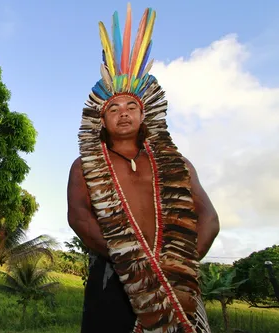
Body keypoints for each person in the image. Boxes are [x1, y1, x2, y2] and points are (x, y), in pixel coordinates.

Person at [67, 5, 220, 333]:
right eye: (114, 108)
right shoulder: (83, 167)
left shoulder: (178, 165)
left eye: (132, 105)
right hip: (113, 278)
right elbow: (79, 217)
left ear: (144, 113)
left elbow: (209, 217)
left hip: (176, 285)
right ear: (101, 120)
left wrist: (178, 267)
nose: (123, 113)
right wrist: (131, 262)